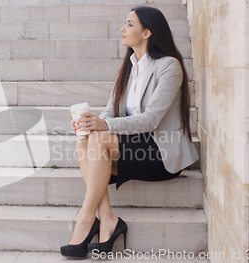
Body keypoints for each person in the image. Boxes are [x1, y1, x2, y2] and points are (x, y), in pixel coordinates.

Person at [60, 6, 200, 259]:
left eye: (129, 24)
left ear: (147, 32)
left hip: (159, 151)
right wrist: (90, 124)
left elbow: (152, 120)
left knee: (99, 136)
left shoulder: (169, 66)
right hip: (132, 147)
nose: (122, 29)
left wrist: (103, 127)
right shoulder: (128, 67)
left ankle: (86, 219)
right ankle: (108, 219)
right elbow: (109, 113)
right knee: (83, 142)